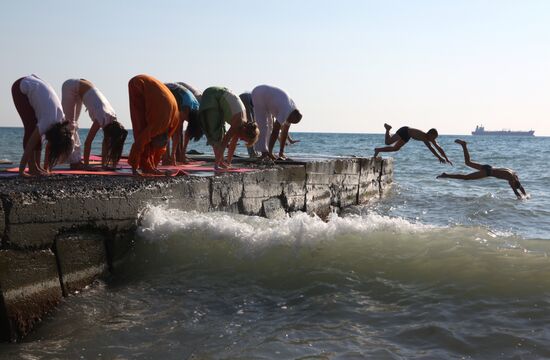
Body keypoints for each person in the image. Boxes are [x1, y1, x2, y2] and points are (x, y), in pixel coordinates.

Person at [11, 74, 73, 177]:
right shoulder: (49, 121)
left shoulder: (60, 121)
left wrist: (45, 168)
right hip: (20, 87)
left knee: (37, 131)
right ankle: (31, 168)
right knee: (30, 128)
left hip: (34, 82)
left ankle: (36, 167)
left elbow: (47, 143)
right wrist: (21, 170)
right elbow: (29, 145)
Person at [61, 78, 127, 169]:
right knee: (68, 125)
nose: (108, 140)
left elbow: (106, 142)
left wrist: (104, 166)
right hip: (71, 86)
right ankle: (74, 161)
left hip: (83, 86)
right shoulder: (102, 117)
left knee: (73, 125)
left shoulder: (113, 120)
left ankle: (75, 161)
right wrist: (87, 166)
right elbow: (88, 142)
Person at [127, 74, 180, 175]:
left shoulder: (170, 125)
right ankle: (142, 166)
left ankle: (148, 166)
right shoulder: (157, 126)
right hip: (139, 84)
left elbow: (160, 149)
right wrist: (134, 168)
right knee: (141, 130)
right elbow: (139, 143)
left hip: (159, 95)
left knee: (146, 135)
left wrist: (153, 167)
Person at [437, 139, 527, 198]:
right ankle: (446, 175)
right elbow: (516, 191)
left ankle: (464, 145)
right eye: (512, 184)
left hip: (489, 167)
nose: (511, 185)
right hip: (487, 172)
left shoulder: (514, 174)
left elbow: (520, 187)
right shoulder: (511, 178)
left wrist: (525, 195)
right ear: (514, 182)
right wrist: (522, 199)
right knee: (466, 177)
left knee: (468, 162)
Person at [199, 87, 259, 169]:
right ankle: (218, 163)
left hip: (220, 95)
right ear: (245, 131)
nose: (240, 139)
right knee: (215, 133)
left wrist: (229, 163)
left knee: (221, 133)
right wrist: (216, 166)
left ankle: (221, 162)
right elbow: (224, 144)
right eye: (243, 138)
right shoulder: (238, 123)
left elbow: (233, 145)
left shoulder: (243, 125)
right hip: (212, 95)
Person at [251, 85, 302, 161]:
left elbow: (285, 131)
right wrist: (271, 152)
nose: (289, 122)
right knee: (263, 125)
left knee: (270, 126)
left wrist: (281, 152)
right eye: (291, 121)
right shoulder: (286, 110)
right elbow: (276, 131)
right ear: (293, 116)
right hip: (259, 93)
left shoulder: (292, 110)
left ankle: (267, 151)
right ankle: (265, 153)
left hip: (268, 98)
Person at [374, 123, 452, 164]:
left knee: (396, 148)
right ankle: (388, 129)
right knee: (387, 142)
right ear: (430, 134)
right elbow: (432, 148)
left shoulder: (428, 139)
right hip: (404, 131)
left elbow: (438, 148)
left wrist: (446, 158)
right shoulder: (424, 136)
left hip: (407, 136)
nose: (434, 140)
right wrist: (439, 158)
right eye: (434, 137)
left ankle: (378, 150)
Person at [164, 83, 202, 164]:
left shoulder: (196, 110)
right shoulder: (186, 109)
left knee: (175, 129)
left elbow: (187, 132)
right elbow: (174, 131)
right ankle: (166, 157)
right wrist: (172, 155)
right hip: (165, 91)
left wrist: (179, 154)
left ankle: (176, 156)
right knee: (168, 128)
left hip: (177, 93)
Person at [239, 92, 258, 158]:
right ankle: (252, 153)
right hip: (246, 99)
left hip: (246, 99)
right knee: (250, 127)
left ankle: (252, 152)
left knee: (250, 126)